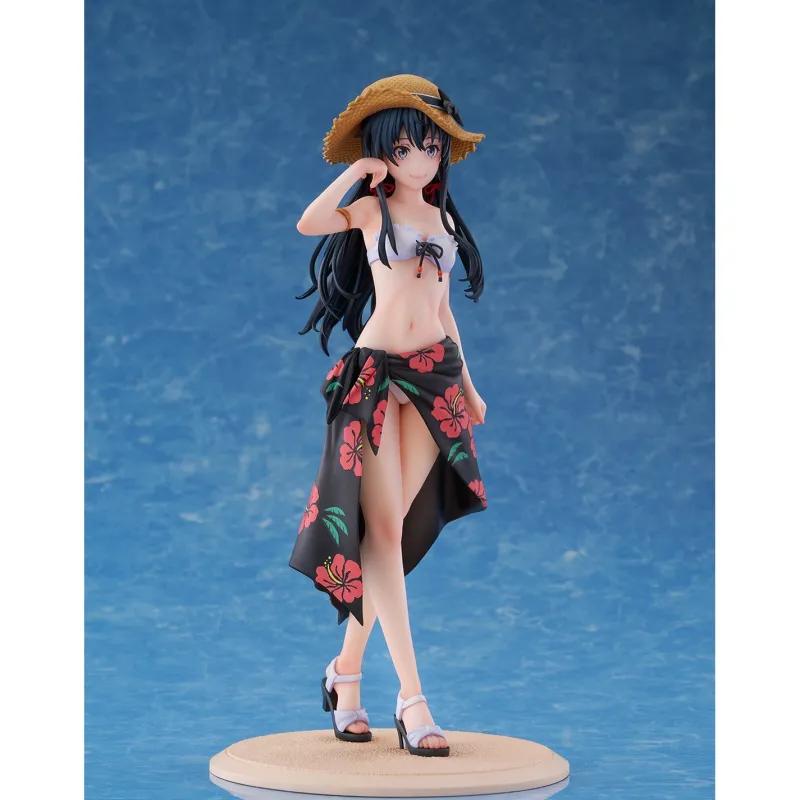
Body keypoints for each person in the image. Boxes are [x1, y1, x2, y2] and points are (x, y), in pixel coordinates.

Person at [289, 74, 488, 757]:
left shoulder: (444, 222)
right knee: (379, 533)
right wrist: (356, 171)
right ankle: (412, 698)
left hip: (433, 380)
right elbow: (310, 223)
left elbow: (444, 310)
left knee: (390, 541)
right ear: (384, 154)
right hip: (376, 378)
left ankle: (344, 674)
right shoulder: (373, 214)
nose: (420, 160)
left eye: (430, 147)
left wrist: (471, 386)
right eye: (403, 149)